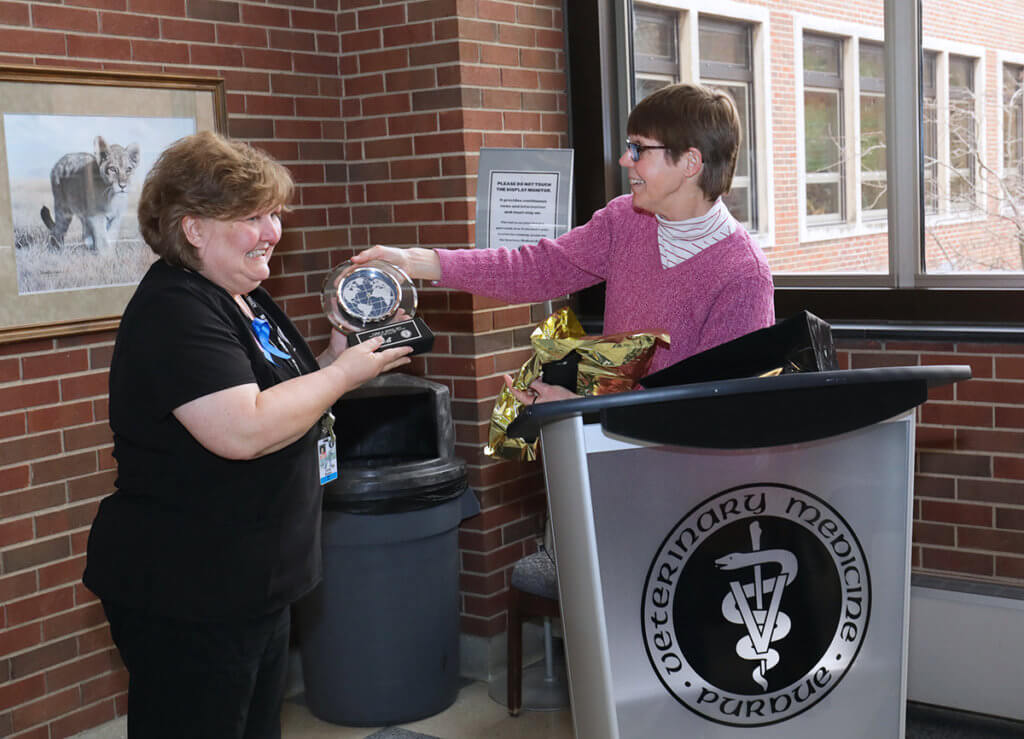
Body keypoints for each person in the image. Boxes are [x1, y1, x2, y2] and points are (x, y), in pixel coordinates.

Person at [82, 131, 412, 739]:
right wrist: (343, 374)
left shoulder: (244, 297)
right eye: (251, 216)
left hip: (254, 580)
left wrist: (339, 348)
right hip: (189, 589)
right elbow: (243, 430)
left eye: (274, 214)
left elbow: (281, 393)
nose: (272, 232)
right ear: (193, 229)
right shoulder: (175, 310)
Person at [352, 82, 775, 404]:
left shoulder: (743, 274)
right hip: (611, 449)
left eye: (639, 149)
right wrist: (416, 262)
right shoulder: (624, 220)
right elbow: (535, 268)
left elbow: (720, 405)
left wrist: (585, 408)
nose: (626, 160)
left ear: (690, 162)